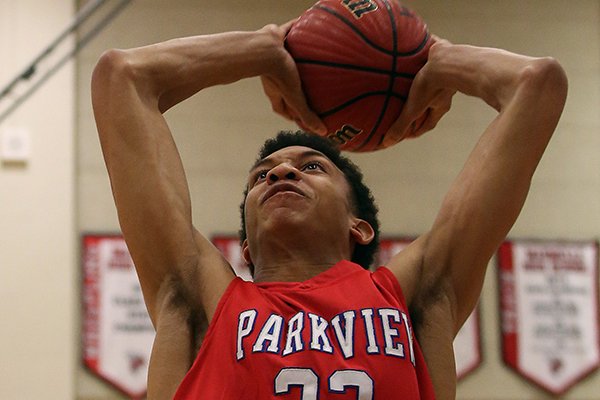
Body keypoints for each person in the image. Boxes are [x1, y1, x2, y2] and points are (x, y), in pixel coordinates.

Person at [91, 17, 567, 400]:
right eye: (262, 175)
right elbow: (123, 77)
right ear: (246, 248)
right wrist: (265, 47)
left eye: (312, 166)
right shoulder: (199, 299)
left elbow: (537, 84)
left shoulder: (417, 296)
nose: (280, 173)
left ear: (358, 227)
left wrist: (437, 61)